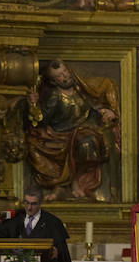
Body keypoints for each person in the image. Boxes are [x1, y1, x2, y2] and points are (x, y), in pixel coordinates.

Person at [25, 59, 120, 201]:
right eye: (60, 76)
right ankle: (63, 186)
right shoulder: (55, 96)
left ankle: (79, 182)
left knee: (88, 143)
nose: (65, 76)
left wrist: (107, 112)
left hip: (84, 131)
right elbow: (42, 119)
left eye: (66, 72)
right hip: (60, 134)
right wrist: (33, 104)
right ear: (54, 81)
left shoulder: (81, 90)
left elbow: (92, 109)